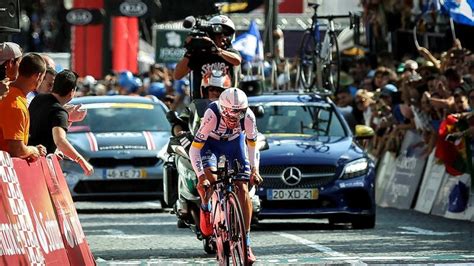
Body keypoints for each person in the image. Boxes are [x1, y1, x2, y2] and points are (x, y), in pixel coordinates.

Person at [188, 87, 262, 263]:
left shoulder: (249, 117)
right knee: (210, 181)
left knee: (243, 187)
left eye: (239, 113)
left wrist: (254, 170)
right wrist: (201, 177)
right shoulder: (211, 114)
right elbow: (194, 149)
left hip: (234, 144)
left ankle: (246, 242)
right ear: (222, 109)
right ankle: (206, 205)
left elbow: (252, 145)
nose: (235, 118)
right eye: (230, 114)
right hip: (210, 145)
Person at [28, 70, 93, 175]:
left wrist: (69, 119)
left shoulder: (38, 98)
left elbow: (43, 128)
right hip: (39, 168)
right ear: (72, 91)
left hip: (28, 160)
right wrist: (82, 162)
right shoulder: (59, 112)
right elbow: (60, 141)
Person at [174, 15, 241, 99]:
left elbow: (237, 60)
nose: (223, 37)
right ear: (210, 34)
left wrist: (217, 50)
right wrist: (190, 52)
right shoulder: (198, 54)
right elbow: (177, 75)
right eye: (219, 34)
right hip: (201, 106)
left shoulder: (229, 52)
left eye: (226, 34)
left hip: (227, 103)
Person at [0, 53, 47, 161]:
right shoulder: (15, 104)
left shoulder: (9, 93)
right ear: (38, 76)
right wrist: (33, 150)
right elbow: (16, 150)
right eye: (43, 78)